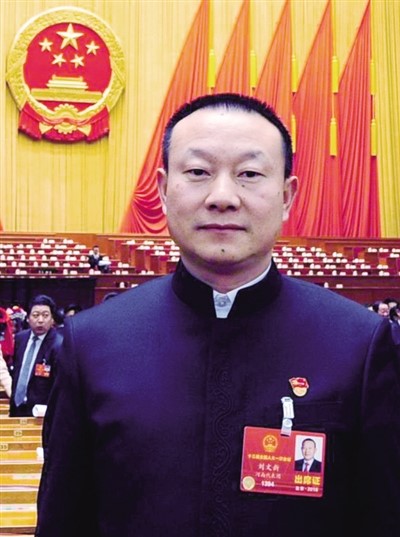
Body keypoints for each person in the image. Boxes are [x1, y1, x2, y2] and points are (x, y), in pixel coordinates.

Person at [35, 94, 400, 537]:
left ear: (287, 196)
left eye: (249, 174)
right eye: (198, 172)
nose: (222, 197)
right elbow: (63, 520)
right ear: (163, 190)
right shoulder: (92, 344)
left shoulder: (358, 344)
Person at [9, 294, 63, 417]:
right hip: (16, 408)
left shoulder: (59, 345)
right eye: (35, 315)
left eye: (45, 315)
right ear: (28, 318)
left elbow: (60, 386)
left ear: (52, 319)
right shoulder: (20, 338)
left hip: (41, 413)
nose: (40, 320)